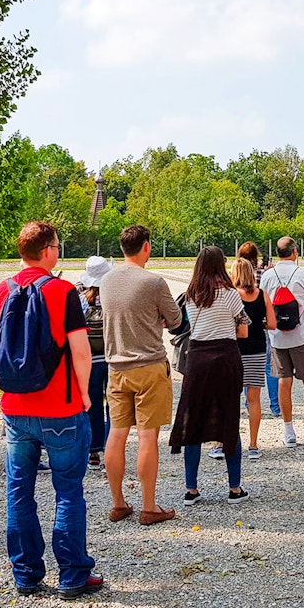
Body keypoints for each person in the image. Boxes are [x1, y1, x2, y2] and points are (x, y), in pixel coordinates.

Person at [0, 221, 103, 599]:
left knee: (19, 491)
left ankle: (26, 573)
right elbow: (80, 351)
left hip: (16, 409)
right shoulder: (64, 292)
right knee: (68, 491)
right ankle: (72, 574)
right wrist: (83, 394)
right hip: (61, 406)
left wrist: (7, 385)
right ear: (49, 250)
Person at [99, 225, 183, 526]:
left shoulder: (106, 281)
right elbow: (175, 320)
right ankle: (149, 506)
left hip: (116, 366)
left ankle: (118, 502)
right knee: (148, 436)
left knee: (117, 434)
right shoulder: (153, 282)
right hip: (148, 364)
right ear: (146, 247)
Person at [169, 247, 251, 505]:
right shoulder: (230, 295)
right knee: (229, 419)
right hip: (225, 357)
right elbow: (243, 331)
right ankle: (234, 487)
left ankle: (191, 488)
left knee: (193, 419)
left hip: (198, 359)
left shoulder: (191, 295)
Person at [259, 237, 304, 448]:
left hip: (277, 338)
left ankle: (289, 431)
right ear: (295, 252)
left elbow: (264, 305)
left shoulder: (268, 276)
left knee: (283, 382)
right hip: (302, 336)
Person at [231, 257, 276, 459]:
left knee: (231, 399)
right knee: (254, 399)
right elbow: (273, 324)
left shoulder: (232, 296)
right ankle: (254, 444)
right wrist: (260, 324)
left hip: (235, 350)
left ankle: (224, 441)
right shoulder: (262, 295)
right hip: (257, 349)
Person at [77, 256, 112, 470]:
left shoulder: (81, 300)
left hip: (89, 360)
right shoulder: (111, 298)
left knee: (92, 405)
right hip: (110, 358)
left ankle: (93, 452)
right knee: (113, 407)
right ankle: (111, 447)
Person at [238, 241, 279, 417]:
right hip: (260, 327)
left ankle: (245, 405)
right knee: (268, 367)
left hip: (240, 332)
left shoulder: (235, 278)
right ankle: (275, 405)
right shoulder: (264, 273)